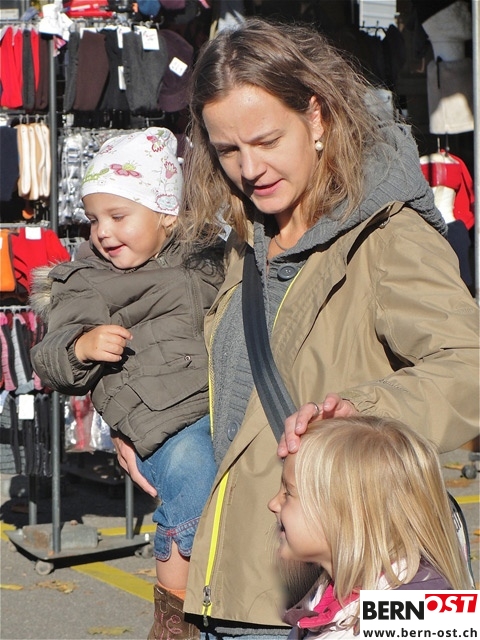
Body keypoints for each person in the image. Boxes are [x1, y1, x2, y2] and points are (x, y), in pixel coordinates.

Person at [111, 17, 479, 639]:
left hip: (334, 591)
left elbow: (467, 365)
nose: (249, 168)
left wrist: (361, 411)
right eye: (228, 150)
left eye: (266, 140)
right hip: (222, 588)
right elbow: (220, 390)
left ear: (316, 116)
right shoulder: (242, 242)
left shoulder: (388, 236)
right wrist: (145, 427)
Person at [29, 127, 224, 639]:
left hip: (225, 404)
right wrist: (81, 346)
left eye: (118, 216)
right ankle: (175, 620)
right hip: (164, 421)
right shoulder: (89, 279)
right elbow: (49, 353)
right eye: (94, 219)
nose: (103, 232)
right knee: (193, 478)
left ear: (167, 214)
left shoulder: (211, 258)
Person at [268, 416, 473, 638]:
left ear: (344, 514)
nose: (273, 504)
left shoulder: (420, 617)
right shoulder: (328, 594)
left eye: (288, 493)